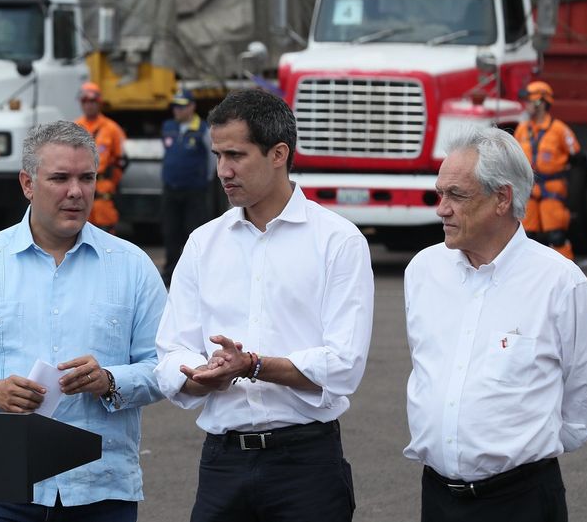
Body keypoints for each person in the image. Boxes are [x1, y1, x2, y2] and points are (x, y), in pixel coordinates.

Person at [0, 120, 166, 522]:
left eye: (87, 178)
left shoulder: (132, 266)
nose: (76, 192)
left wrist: (111, 381)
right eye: (60, 178)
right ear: (27, 184)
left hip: (99, 488)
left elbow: (165, 367)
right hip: (0, 485)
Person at [154, 89, 374, 522]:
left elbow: (344, 365)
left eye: (236, 155)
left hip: (305, 464)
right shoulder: (203, 244)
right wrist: (203, 377)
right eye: (217, 155)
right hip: (222, 462)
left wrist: (252, 365)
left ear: (279, 153)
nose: (223, 170)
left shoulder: (337, 241)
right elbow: (169, 355)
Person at [403, 125, 587, 522]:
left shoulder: (558, 282)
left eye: (456, 195)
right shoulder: (423, 271)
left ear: (502, 198)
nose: (441, 208)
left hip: (521, 501)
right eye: (440, 194)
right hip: (437, 497)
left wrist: (535, 449)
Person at [513, 81, 580, 260]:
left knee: (556, 237)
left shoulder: (559, 130)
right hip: (529, 191)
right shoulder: (522, 129)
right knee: (527, 238)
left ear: (541, 102)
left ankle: (567, 275)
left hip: (552, 190)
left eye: (529, 100)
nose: (526, 104)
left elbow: (576, 156)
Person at [159, 89, 214, 285]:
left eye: (181, 106)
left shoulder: (202, 129)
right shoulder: (168, 126)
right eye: (175, 106)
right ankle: (170, 272)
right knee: (171, 231)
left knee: (195, 231)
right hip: (171, 188)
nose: (177, 110)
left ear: (192, 107)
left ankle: (196, 273)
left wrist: (203, 179)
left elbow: (211, 159)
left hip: (194, 190)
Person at [74, 81, 127, 234]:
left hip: (103, 190)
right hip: (79, 188)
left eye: (93, 101)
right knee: (78, 231)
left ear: (99, 103)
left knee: (105, 231)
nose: (89, 105)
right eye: (85, 101)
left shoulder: (112, 129)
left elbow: (121, 160)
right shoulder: (74, 127)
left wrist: (111, 182)